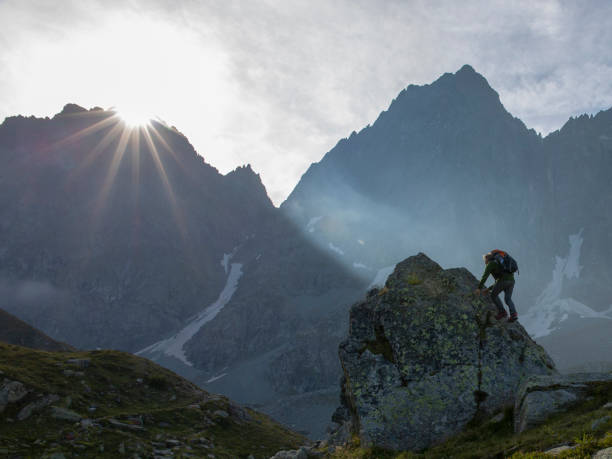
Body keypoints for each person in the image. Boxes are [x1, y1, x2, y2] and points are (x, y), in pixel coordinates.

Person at [475, 251, 518, 322]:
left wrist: (479, 288)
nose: (485, 262)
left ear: (487, 259)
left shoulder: (491, 264)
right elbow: (498, 281)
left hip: (504, 281)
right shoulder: (500, 263)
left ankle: (502, 312)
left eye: (484, 261)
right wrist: (488, 289)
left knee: (493, 295)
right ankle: (514, 315)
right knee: (508, 299)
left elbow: (484, 276)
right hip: (511, 281)